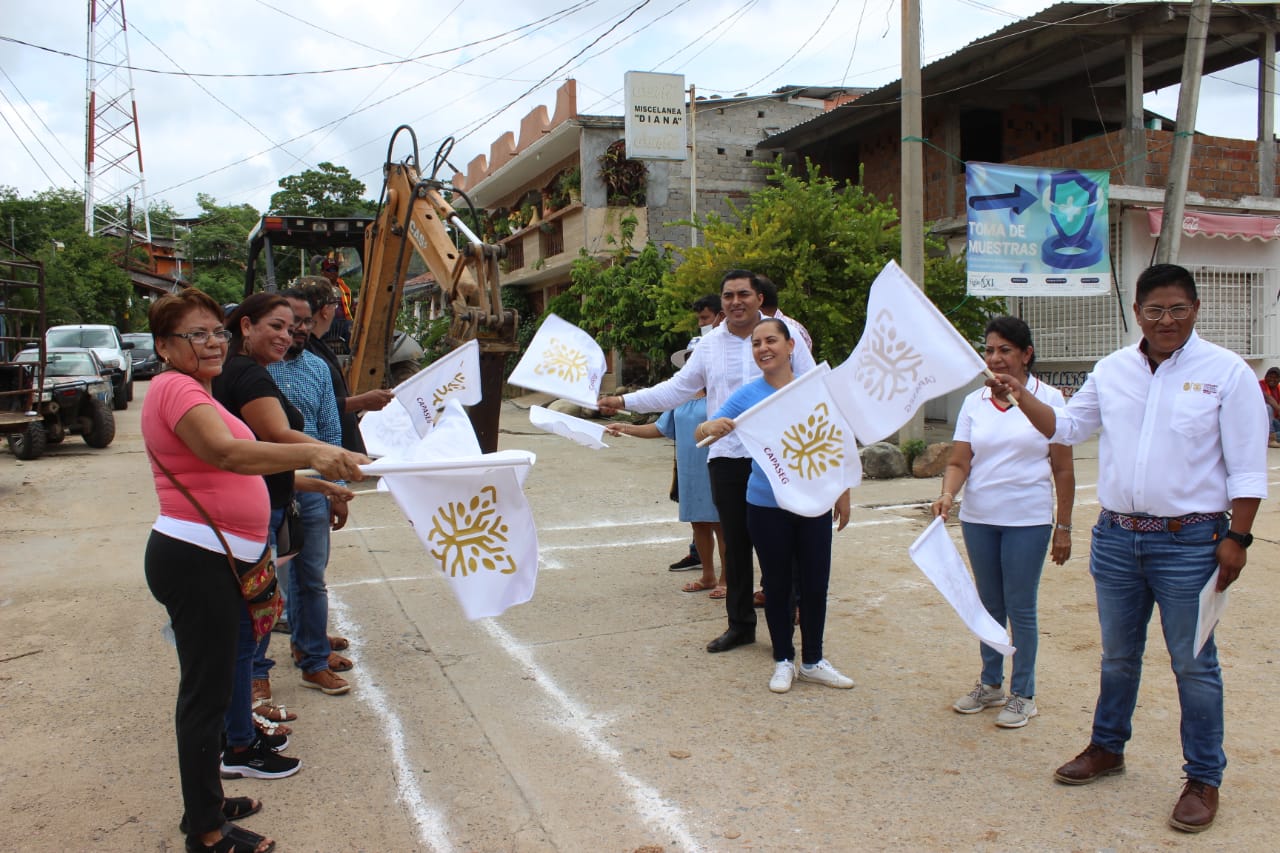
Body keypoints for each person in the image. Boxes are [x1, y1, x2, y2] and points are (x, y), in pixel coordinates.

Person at [986, 263, 1266, 833]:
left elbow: (1247, 467)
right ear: (1137, 313)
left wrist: (1237, 538)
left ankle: (1204, 777)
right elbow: (1065, 429)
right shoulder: (1112, 370)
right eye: (1155, 310)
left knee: (1194, 664)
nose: (1167, 320)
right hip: (1117, 539)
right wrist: (1017, 395)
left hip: (1191, 542)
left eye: (1178, 309)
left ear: (1195, 310)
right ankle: (1107, 747)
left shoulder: (1226, 373)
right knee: (1117, 656)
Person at [143, 287, 365, 853]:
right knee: (205, 696)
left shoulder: (201, 390)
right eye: (196, 334)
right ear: (165, 346)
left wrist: (318, 480)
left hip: (220, 558)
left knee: (216, 689)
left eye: (216, 330)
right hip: (198, 560)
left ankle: (209, 802)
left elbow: (241, 474)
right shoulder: (175, 390)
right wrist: (311, 452)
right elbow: (228, 456)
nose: (212, 342)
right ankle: (207, 831)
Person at [599, 271, 816, 654]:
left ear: (759, 298)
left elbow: (813, 388)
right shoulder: (711, 345)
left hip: (778, 456)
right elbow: (677, 388)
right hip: (727, 455)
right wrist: (623, 402)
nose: (736, 301)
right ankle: (740, 626)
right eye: (728, 295)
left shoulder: (785, 334)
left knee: (782, 546)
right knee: (735, 544)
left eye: (743, 294)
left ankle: (789, 622)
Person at [214, 293, 355, 742]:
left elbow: (278, 452)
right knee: (257, 605)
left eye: (293, 325)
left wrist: (323, 481)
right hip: (255, 507)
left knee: (291, 587)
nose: (287, 333)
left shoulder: (302, 369)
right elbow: (272, 439)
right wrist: (332, 456)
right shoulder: (243, 373)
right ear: (245, 326)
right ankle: (247, 710)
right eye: (276, 325)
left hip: (285, 492)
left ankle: (303, 664)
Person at [931, 316, 1075, 729]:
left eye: (1005, 350)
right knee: (988, 606)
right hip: (979, 518)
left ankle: (1023, 694)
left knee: (1020, 607)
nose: (995, 358)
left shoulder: (1050, 401)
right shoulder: (974, 402)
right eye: (990, 350)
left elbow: (1062, 470)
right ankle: (991, 683)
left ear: (1026, 355)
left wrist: (1063, 526)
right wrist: (947, 494)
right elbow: (960, 460)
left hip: (1027, 521)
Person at [695, 318, 853, 693]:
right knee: (778, 586)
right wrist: (712, 427)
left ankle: (813, 660)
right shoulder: (748, 395)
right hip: (765, 504)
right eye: (756, 343)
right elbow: (703, 430)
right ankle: (784, 659)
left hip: (813, 502)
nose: (763, 348)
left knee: (815, 584)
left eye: (771, 341)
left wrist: (843, 492)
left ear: (790, 345)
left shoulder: (816, 390)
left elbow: (837, 442)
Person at [268, 294, 352, 695]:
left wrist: (338, 490)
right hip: (268, 488)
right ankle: (265, 669)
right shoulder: (251, 372)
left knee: (311, 577)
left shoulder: (317, 368)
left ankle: (310, 652)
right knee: (274, 580)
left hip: (315, 488)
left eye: (300, 323)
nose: (295, 330)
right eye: (286, 323)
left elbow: (331, 430)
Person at [606, 344, 725, 598]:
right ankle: (707, 575)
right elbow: (660, 429)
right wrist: (624, 428)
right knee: (699, 523)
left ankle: (727, 580)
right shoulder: (678, 398)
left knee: (721, 524)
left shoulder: (722, 392)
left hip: (716, 465)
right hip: (689, 470)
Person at [289, 277, 394, 455]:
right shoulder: (302, 353)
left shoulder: (317, 347)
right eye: (335, 306)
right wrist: (361, 401)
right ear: (325, 310)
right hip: (326, 455)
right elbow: (310, 405)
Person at [1258, 366, 1280, 448]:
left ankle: (1273, 436)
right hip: (1260, 421)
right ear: (1265, 377)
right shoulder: (1259, 385)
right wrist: (1278, 410)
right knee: (1268, 407)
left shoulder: (1278, 388)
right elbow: (1268, 398)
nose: (1272, 379)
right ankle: (1270, 439)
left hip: (1273, 421)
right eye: (1270, 376)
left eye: (1276, 377)